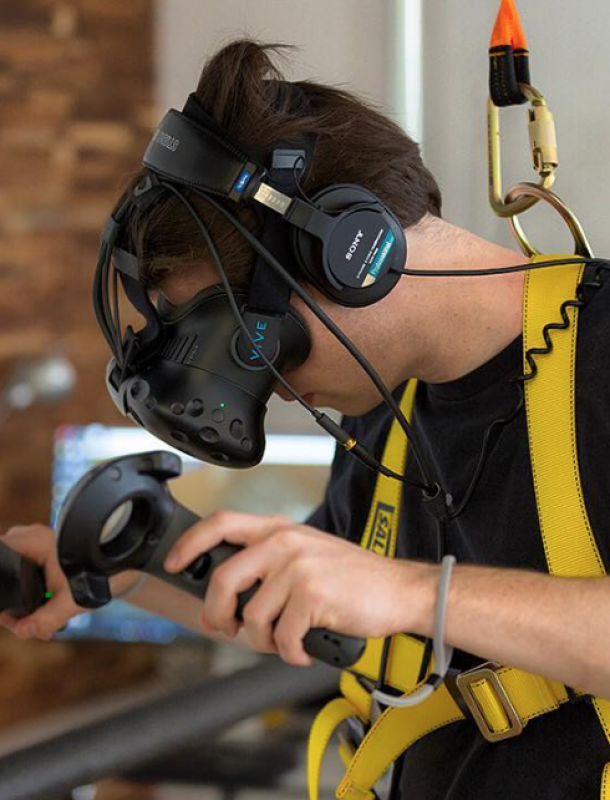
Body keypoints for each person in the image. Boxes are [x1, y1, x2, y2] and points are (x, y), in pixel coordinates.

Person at [2, 39, 610, 799]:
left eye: (254, 347)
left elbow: (392, 593)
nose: (272, 390)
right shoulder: (384, 415)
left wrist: (415, 593)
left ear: (349, 252)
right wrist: (131, 565)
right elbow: (317, 603)